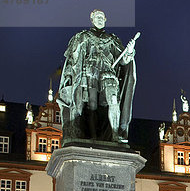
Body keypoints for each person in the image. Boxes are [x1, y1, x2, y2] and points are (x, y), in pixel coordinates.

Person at [57, 9, 138, 144]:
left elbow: (123, 61)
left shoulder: (112, 40)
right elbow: (73, 60)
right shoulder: (84, 37)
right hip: (89, 74)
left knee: (113, 101)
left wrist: (129, 52)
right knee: (92, 105)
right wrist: (69, 76)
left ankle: (115, 134)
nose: (100, 19)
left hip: (108, 74)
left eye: (102, 17)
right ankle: (93, 136)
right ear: (92, 20)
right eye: (97, 17)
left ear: (105, 20)